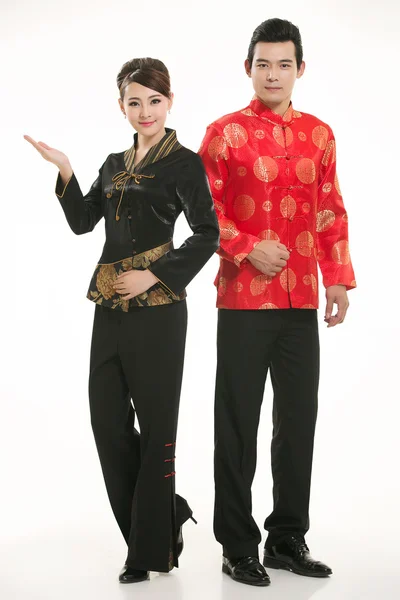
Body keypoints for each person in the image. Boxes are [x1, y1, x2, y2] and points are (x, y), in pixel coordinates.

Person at [25, 57, 219, 583]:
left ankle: (146, 551)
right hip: (109, 307)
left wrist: (156, 275)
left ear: (169, 102)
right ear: (121, 106)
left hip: (159, 313)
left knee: (158, 431)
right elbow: (84, 222)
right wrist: (65, 169)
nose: (145, 110)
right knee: (108, 424)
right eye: (134, 101)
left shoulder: (185, 164)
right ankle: (163, 515)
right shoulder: (113, 163)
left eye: (154, 100)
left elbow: (207, 234)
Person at [199, 18, 356, 587]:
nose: (273, 73)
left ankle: (287, 537)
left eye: (283, 64)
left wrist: (337, 277)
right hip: (242, 302)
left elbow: (329, 208)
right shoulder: (223, 133)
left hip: (301, 302)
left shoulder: (320, 134)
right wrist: (243, 247)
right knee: (237, 422)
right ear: (248, 68)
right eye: (263, 63)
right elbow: (199, 213)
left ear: (300, 69)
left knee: (299, 421)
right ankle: (237, 545)